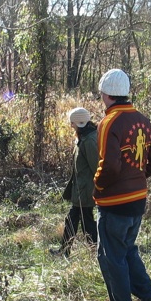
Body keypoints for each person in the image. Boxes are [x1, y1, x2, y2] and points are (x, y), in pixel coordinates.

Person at [93, 69, 151, 301]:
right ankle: (149, 295)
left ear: (105, 94)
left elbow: (109, 166)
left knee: (111, 256)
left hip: (114, 202)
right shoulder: (142, 119)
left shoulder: (109, 122)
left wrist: (98, 186)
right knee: (127, 249)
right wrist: (138, 178)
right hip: (138, 198)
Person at [51, 107, 98, 258]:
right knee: (75, 219)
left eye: (73, 123)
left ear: (79, 123)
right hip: (80, 189)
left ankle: (98, 252)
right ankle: (65, 251)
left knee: (87, 224)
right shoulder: (84, 137)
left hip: (85, 190)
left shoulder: (89, 140)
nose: (71, 126)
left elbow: (96, 166)